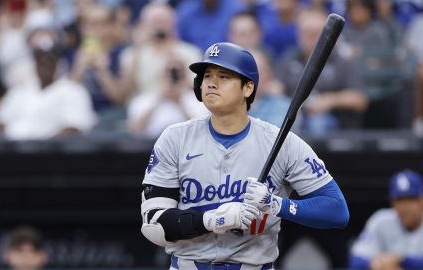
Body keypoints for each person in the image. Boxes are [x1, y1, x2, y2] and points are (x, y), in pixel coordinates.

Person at [140, 42, 349, 270]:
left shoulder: (281, 143)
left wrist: (276, 204)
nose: (211, 82)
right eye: (207, 76)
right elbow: (154, 225)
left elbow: (337, 210)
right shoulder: (175, 138)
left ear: (248, 88)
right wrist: (214, 220)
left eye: (224, 76)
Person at [276, 8, 367, 134]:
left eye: (316, 33)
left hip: (330, 119)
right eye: (306, 33)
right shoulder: (290, 58)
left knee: (318, 123)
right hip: (295, 116)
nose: (310, 38)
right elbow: (277, 87)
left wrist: (330, 100)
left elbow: (359, 99)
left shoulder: (342, 62)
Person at [349, 169, 423, 270]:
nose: (405, 207)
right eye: (399, 200)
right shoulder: (381, 220)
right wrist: (376, 265)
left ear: (421, 201)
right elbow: (355, 261)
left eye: (410, 199)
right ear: (392, 203)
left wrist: (401, 260)